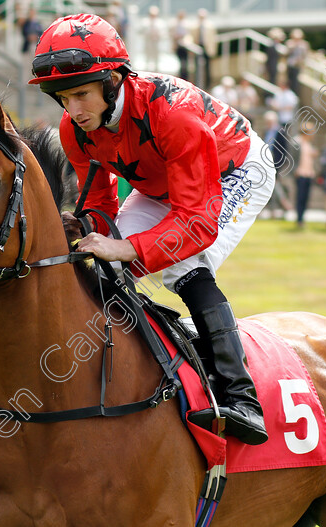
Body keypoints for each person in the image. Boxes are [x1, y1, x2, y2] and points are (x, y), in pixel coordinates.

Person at [29, 14, 276, 445]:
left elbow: (197, 222)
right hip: (161, 181)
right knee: (103, 267)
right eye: (63, 99)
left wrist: (128, 249)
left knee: (184, 267)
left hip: (233, 169)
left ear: (111, 81)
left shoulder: (174, 115)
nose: (74, 111)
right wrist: (85, 226)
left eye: (82, 95)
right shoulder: (75, 130)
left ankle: (241, 396)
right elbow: (100, 206)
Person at [261, 111, 292, 219]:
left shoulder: (280, 132)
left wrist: (280, 164)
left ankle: (284, 205)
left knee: (276, 186)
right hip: (266, 162)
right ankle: (277, 208)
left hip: (276, 163)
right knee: (271, 186)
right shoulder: (266, 131)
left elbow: (284, 150)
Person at [294, 132, 317, 229]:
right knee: (300, 197)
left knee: (306, 197)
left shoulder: (309, 144)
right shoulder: (297, 142)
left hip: (309, 173)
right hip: (301, 173)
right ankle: (299, 218)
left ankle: (302, 217)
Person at [192, 9, 217, 87]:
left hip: (207, 47)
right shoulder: (194, 25)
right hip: (197, 47)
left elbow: (213, 39)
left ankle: (208, 84)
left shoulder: (210, 26)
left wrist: (213, 50)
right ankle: (197, 83)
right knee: (196, 66)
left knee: (208, 67)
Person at [140, 6, 165, 72]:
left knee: (156, 59)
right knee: (147, 59)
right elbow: (140, 31)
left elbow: (163, 33)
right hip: (148, 43)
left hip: (156, 43)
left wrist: (157, 35)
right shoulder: (145, 22)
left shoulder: (160, 23)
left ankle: (156, 72)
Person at [285, 28, 308, 96]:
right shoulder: (290, 43)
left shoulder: (304, 44)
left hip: (297, 65)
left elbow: (305, 55)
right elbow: (287, 53)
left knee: (296, 82)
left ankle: (295, 96)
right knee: (289, 81)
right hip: (290, 64)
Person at [171, 11, 191, 82]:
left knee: (185, 63)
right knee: (179, 63)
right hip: (178, 46)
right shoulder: (175, 24)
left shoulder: (186, 24)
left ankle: (185, 78)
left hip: (185, 46)